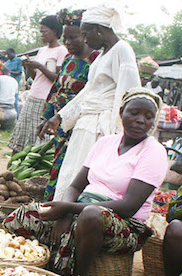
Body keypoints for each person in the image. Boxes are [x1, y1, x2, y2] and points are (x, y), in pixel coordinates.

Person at [4, 88, 166, 276]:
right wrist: (66, 212)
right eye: (134, 112)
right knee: (24, 214)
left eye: (148, 117)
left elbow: (129, 206)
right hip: (82, 209)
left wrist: (70, 208)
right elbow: (75, 186)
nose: (141, 120)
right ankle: (24, 269)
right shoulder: (105, 143)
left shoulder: (153, 152)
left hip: (125, 225)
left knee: (90, 215)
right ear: (121, 112)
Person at [38, 5, 141, 201]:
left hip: (102, 129)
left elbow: (130, 95)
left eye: (86, 33)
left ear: (100, 30)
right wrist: (59, 117)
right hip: (86, 126)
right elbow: (88, 93)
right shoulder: (103, 56)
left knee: (91, 182)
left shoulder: (122, 50)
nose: (85, 39)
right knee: (73, 177)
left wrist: (122, 135)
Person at [36, 9, 99, 201]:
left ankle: (64, 208)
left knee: (72, 169)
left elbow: (92, 95)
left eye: (74, 37)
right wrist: (46, 118)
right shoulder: (68, 59)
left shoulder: (95, 60)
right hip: (60, 125)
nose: (68, 42)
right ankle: (51, 205)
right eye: (66, 37)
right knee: (58, 167)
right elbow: (56, 88)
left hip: (80, 127)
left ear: (86, 36)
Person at [7, 15, 67, 153]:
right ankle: (17, 165)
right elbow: (36, 78)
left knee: (39, 134)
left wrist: (40, 66)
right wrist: (29, 67)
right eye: (40, 32)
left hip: (45, 99)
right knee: (24, 131)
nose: (42, 35)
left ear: (55, 31)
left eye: (44, 31)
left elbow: (57, 79)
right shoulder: (42, 50)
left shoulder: (61, 51)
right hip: (33, 95)